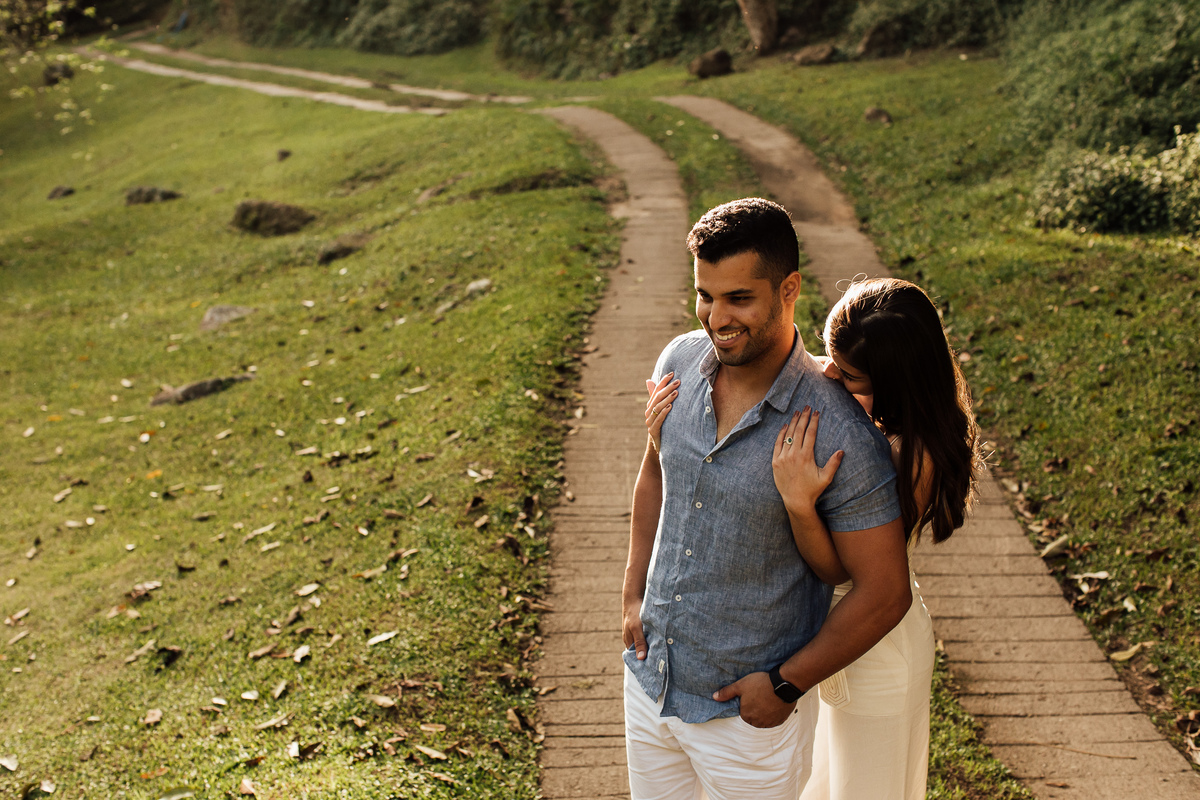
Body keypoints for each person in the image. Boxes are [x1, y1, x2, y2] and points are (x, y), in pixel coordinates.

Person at [646, 277, 982, 800]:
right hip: (820, 635)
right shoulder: (869, 419)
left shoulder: (905, 453)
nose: (826, 374)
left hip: (870, 644)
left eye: (848, 375)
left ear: (895, 382)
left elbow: (843, 570)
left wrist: (800, 504)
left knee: (863, 787)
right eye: (829, 356)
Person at [622, 198, 913, 800]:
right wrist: (632, 595)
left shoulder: (838, 433)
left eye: (738, 298)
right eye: (705, 295)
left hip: (746, 720)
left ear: (789, 289)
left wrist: (785, 685)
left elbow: (885, 592)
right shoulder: (677, 362)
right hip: (651, 686)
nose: (715, 317)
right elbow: (656, 472)